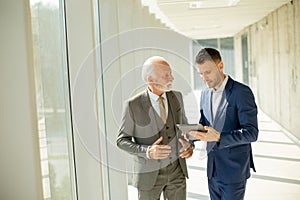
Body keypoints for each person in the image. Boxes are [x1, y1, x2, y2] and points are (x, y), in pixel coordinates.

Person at [117, 56, 193, 200]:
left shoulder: (177, 97)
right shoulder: (133, 105)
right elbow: (121, 141)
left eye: (171, 73)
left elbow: (185, 130)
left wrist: (189, 146)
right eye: (166, 75)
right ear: (151, 80)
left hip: (177, 172)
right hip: (148, 176)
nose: (172, 78)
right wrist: (147, 151)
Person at [189, 48, 258, 200]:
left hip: (234, 170)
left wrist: (220, 137)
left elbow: (251, 133)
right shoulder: (205, 93)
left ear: (220, 66)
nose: (204, 78)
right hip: (212, 170)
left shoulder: (241, 92)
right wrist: (189, 138)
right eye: (200, 73)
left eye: (208, 72)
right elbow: (204, 124)